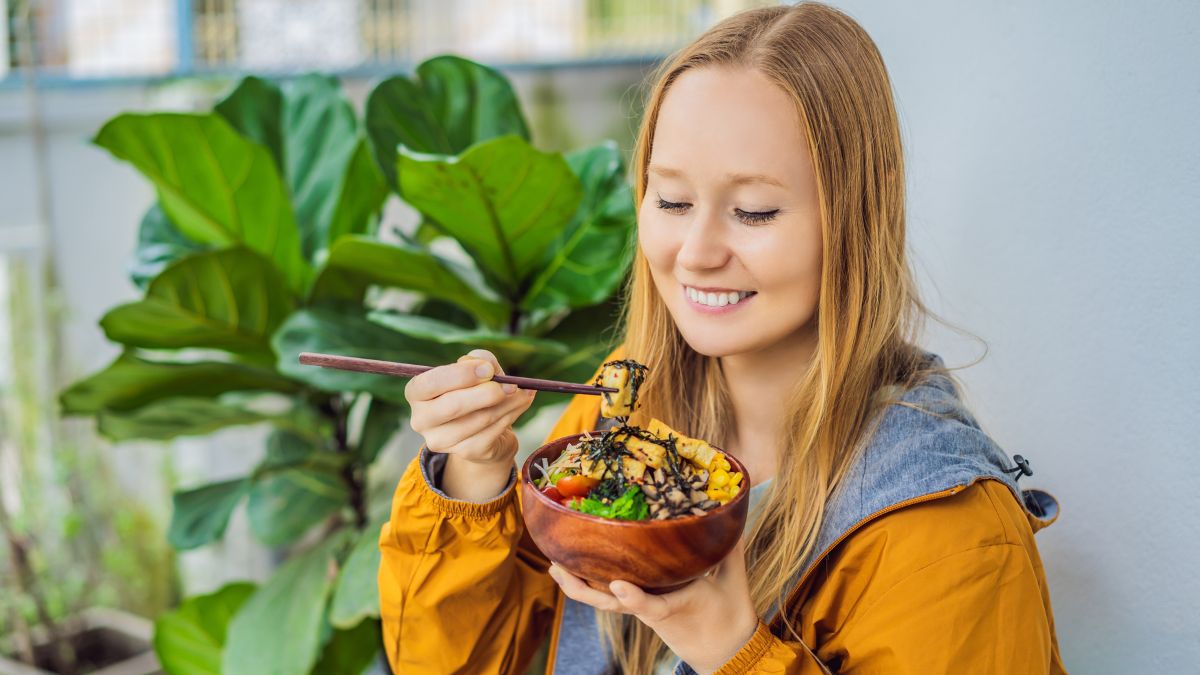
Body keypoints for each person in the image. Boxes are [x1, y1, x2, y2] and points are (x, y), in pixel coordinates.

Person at [378, 3, 1066, 673]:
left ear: (862, 204)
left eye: (753, 210)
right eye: (672, 200)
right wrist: (471, 474)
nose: (696, 252)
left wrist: (732, 650)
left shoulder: (950, 533)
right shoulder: (625, 420)